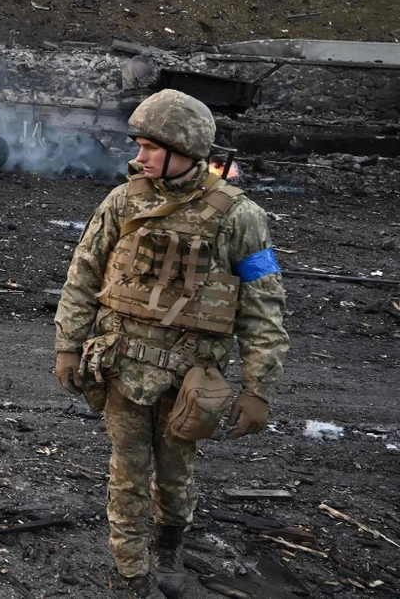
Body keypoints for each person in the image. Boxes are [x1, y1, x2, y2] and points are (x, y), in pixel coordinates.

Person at [53, 90, 288, 599]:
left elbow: (263, 306)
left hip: (192, 375)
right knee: (128, 473)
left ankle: (169, 547)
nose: (138, 157)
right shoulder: (123, 201)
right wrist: (68, 345)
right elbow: (84, 273)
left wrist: (258, 388)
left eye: (149, 147)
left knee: (177, 471)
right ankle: (133, 573)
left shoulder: (240, 216)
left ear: (186, 149)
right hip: (121, 364)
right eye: (138, 145)